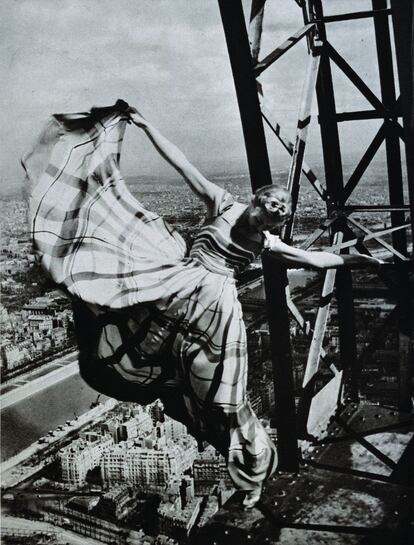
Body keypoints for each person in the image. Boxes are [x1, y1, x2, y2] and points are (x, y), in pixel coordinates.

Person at [24, 100, 381, 508]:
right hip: (177, 283)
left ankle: (252, 475)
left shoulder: (267, 243)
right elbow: (182, 163)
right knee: (108, 300)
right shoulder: (222, 202)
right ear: (258, 199)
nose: (278, 211)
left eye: (282, 212)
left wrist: (367, 258)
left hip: (214, 310)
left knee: (227, 402)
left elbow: (319, 260)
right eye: (274, 202)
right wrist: (145, 124)